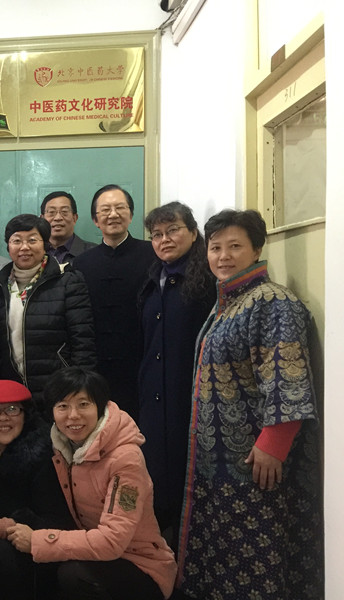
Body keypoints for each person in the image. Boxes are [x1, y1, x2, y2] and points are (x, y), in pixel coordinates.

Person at [176, 209, 322, 599]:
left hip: (254, 461)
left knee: (255, 555)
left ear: (257, 249)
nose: (223, 256)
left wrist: (274, 443)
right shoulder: (229, 300)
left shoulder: (272, 301)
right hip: (223, 461)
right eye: (216, 247)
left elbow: (288, 375)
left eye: (235, 246)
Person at [7, 367, 176, 600]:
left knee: (71, 573)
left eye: (83, 404)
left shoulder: (126, 459)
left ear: (100, 407)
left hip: (143, 566)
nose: (73, 415)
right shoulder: (62, 448)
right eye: (63, 406)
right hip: (99, 556)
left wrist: (38, 541)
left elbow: (112, 540)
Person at [137, 202, 215, 544]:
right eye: (156, 234)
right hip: (154, 399)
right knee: (157, 481)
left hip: (190, 399)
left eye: (172, 231)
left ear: (193, 233)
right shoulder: (153, 278)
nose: (164, 239)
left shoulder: (207, 280)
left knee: (188, 484)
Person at [0, 380, 72, 600]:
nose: (3, 418)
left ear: (25, 415)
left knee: (0, 553)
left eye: (12, 409)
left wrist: (2, 527)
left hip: (32, 554)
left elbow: (57, 523)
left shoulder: (42, 458)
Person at [0, 214, 96, 406]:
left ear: (45, 244)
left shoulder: (68, 281)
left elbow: (83, 341)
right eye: (17, 241)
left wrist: (79, 387)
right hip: (13, 390)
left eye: (32, 240)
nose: (24, 247)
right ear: (8, 246)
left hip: (59, 388)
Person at [72, 185, 156, 421]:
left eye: (120, 208)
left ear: (131, 215)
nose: (113, 214)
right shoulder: (82, 263)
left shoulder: (153, 255)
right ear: (95, 219)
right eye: (105, 209)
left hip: (141, 362)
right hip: (97, 366)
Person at [40, 191, 96, 264]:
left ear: (74, 218)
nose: (58, 218)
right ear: (42, 219)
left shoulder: (93, 253)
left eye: (64, 212)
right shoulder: (33, 252)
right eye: (51, 212)